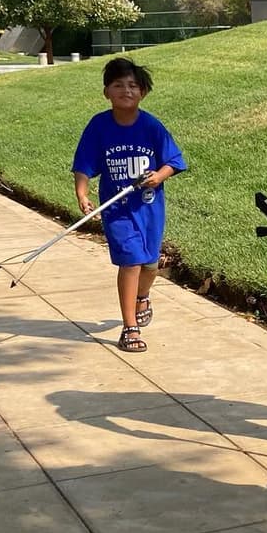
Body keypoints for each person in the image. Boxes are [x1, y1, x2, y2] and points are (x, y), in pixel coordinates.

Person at [73, 58, 186, 353]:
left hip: (149, 209)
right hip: (117, 210)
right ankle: (130, 326)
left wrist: (158, 176)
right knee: (131, 261)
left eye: (133, 85)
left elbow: (174, 161)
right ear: (106, 92)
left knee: (149, 264)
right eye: (118, 85)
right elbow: (84, 164)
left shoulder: (151, 127)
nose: (126, 90)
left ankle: (142, 296)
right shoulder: (99, 126)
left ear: (144, 92)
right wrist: (82, 192)